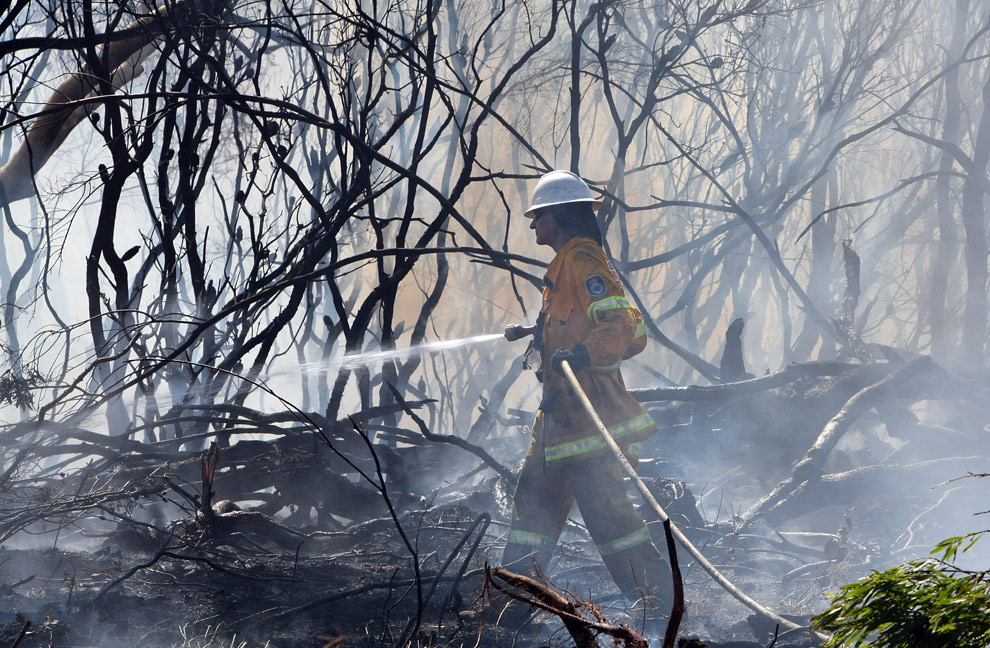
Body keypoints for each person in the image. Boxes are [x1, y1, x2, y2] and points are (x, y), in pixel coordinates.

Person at [501, 170, 674, 622]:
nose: (534, 226)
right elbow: (574, 322)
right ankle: (508, 612)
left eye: (538, 217)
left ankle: (662, 607)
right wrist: (539, 332)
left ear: (558, 216)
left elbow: (623, 326)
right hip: (559, 419)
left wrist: (581, 355)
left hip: (588, 418)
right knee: (532, 511)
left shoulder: (583, 261)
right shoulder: (563, 268)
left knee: (611, 520)